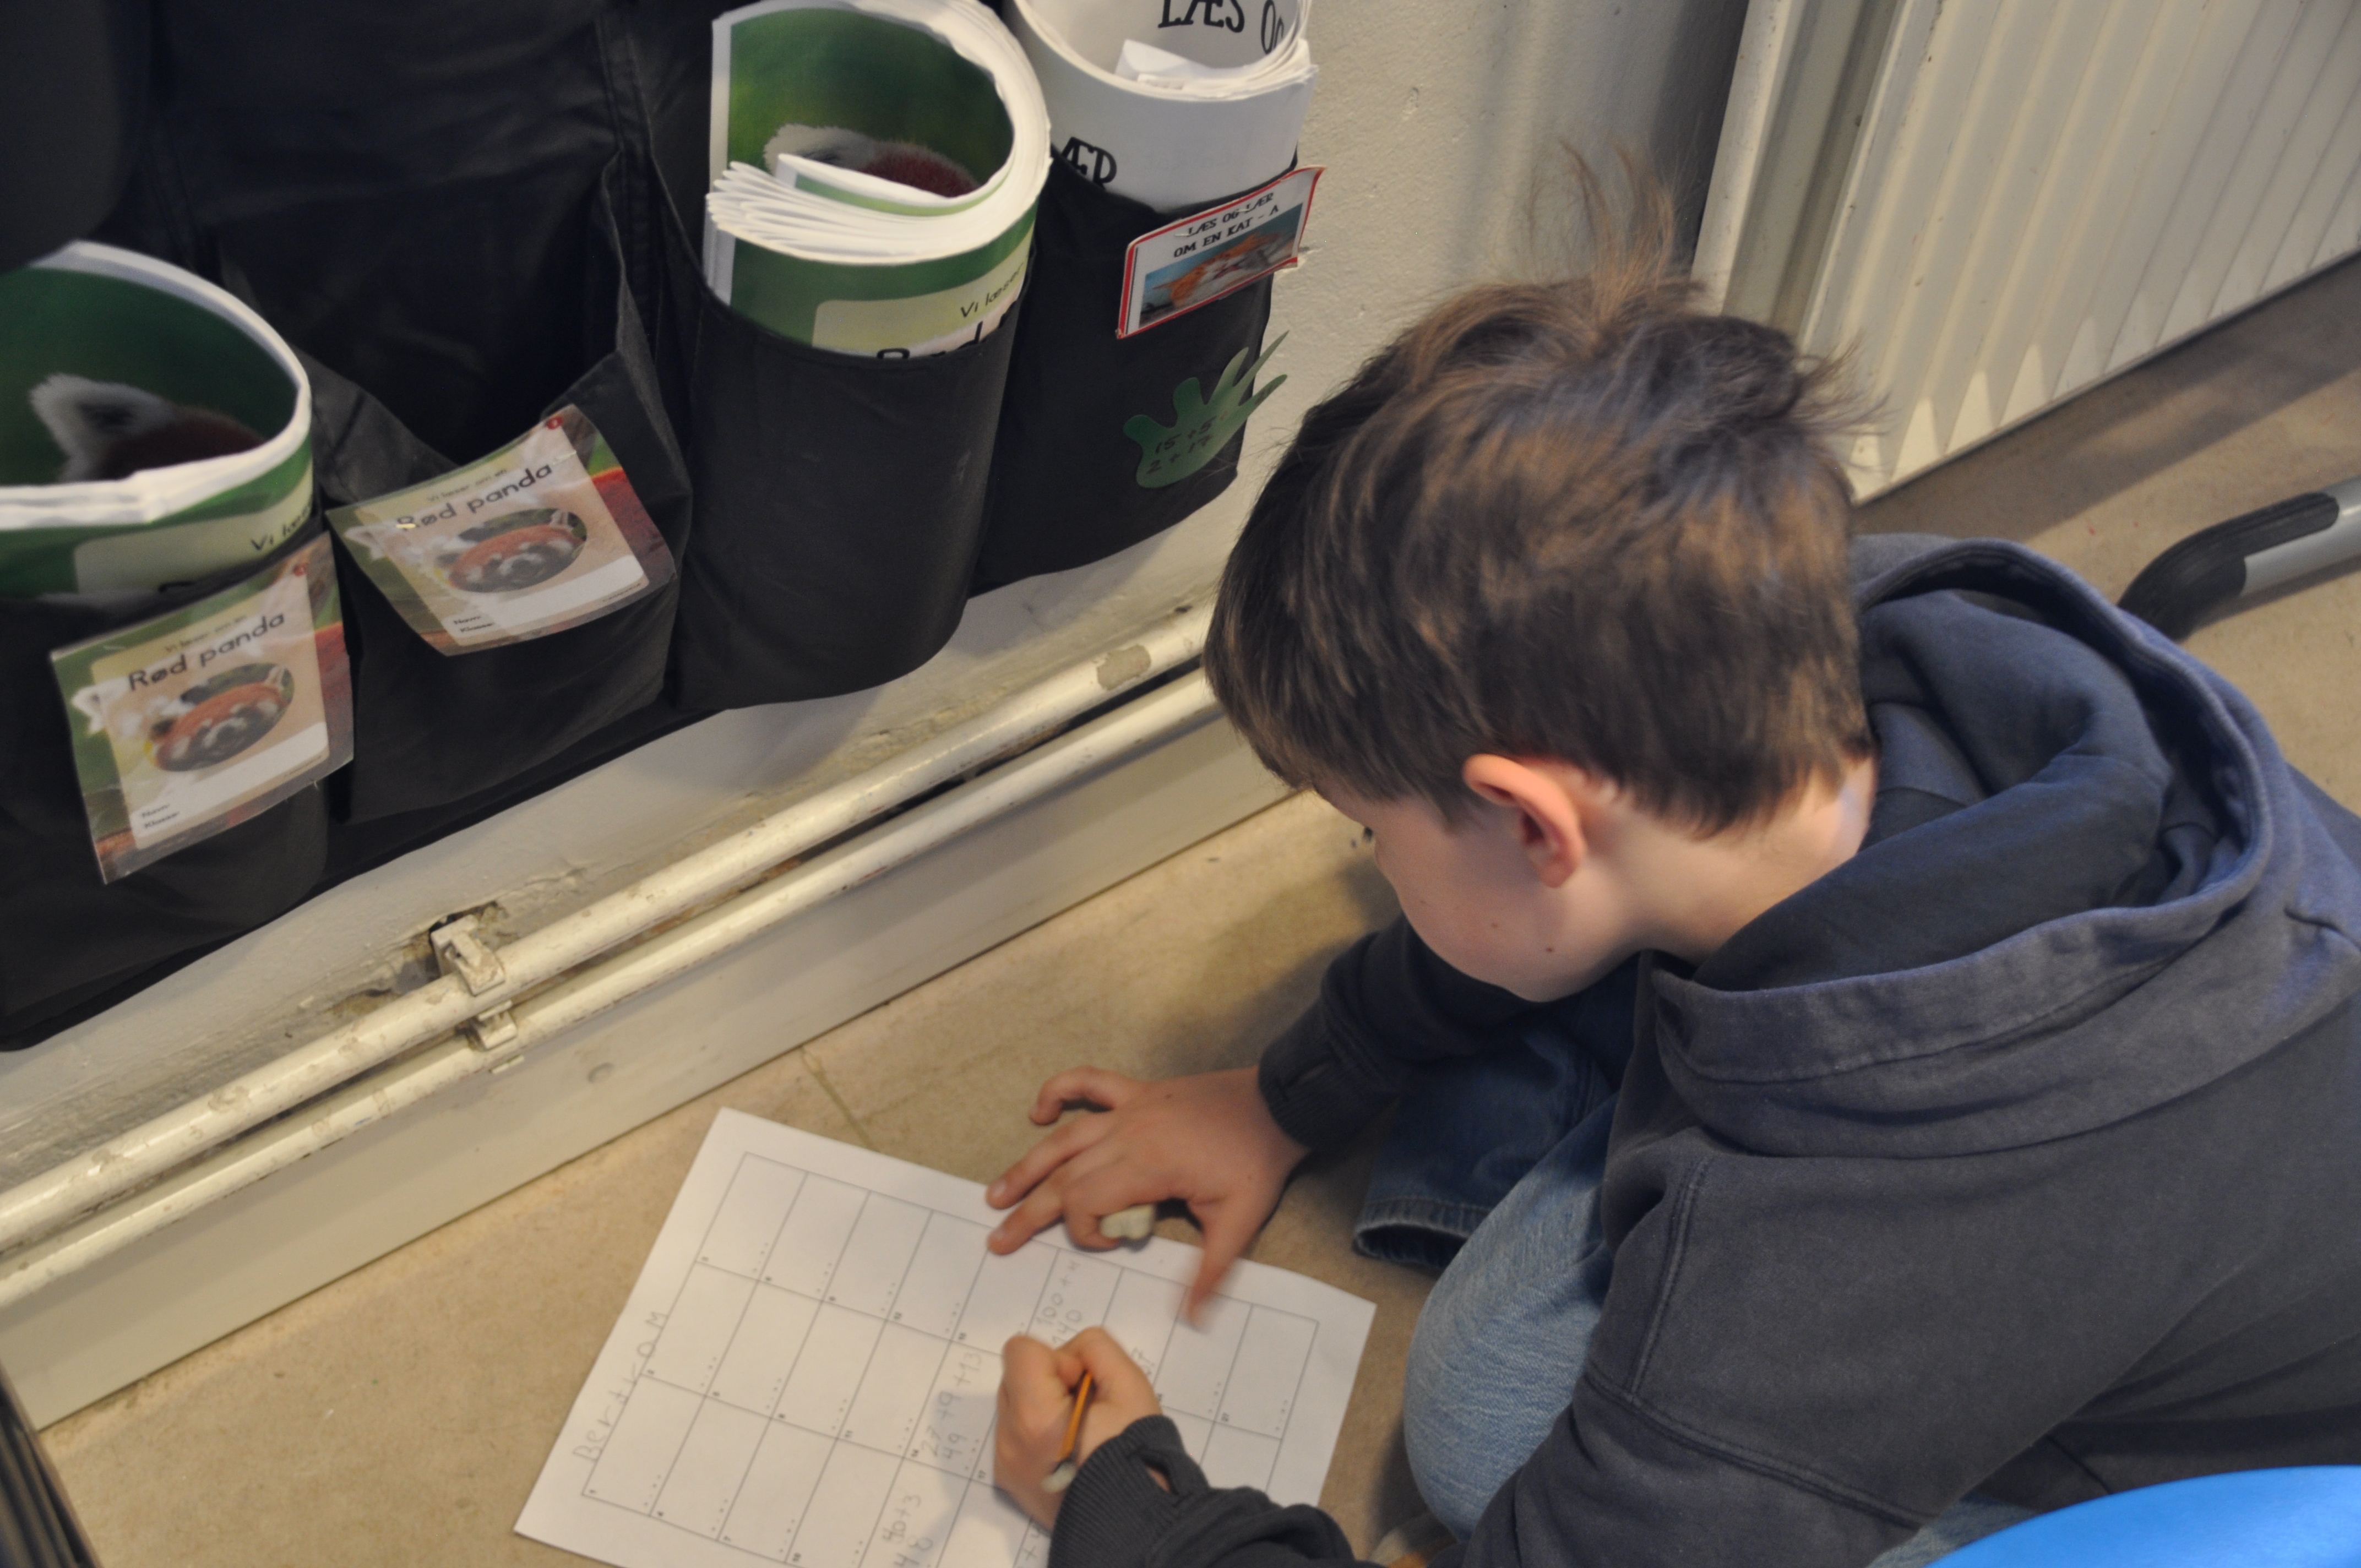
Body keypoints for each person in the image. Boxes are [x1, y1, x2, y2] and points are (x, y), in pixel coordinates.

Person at [979, 171, 2361, 1568]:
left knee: (1474, 1434)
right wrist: (1290, 1090)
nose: (1373, 864)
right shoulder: (1851, 606)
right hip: (2209, 1166)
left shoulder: (1835, 1249)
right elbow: (1514, 896)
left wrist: (1138, 1515)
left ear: (1534, 824)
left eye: (1368, 834)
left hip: (2225, 1436)